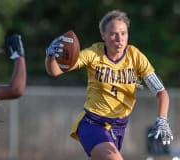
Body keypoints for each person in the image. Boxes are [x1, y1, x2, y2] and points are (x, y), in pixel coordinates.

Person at [45, 10, 173, 160]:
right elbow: (55, 71)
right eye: (113, 34)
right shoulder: (94, 54)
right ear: (103, 35)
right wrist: (50, 55)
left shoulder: (135, 56)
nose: (119, 38)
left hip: (118, 128)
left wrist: (162, 119)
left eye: (123, 33)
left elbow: (161, 92)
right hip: (92, 124)